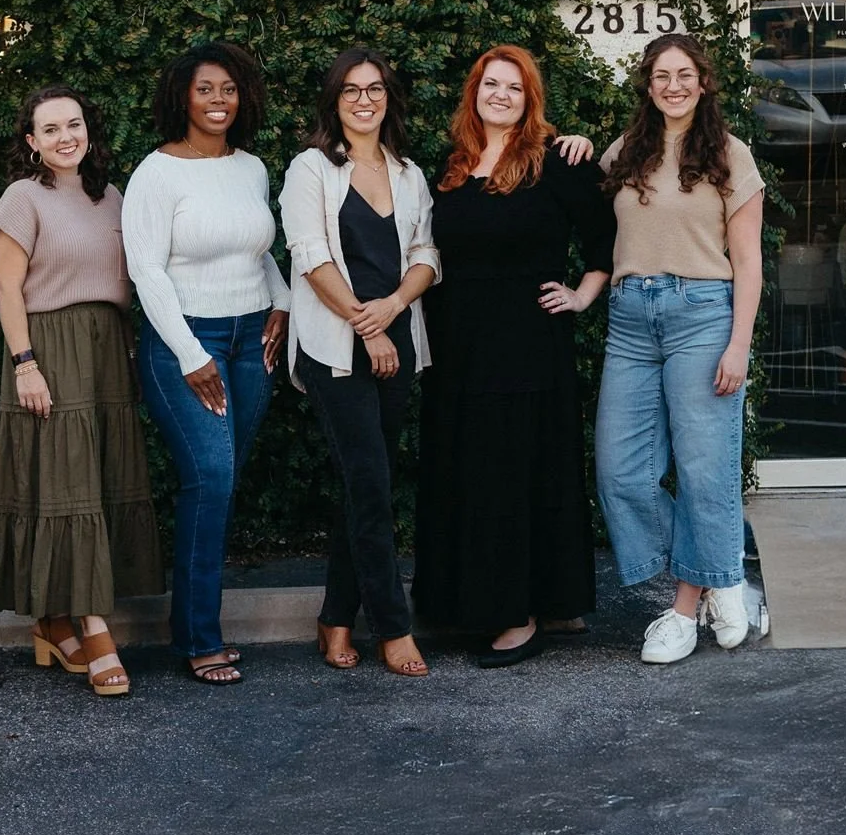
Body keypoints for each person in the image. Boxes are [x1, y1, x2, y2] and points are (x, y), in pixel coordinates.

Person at [413, 45, 614, 667]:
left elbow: (606, 237)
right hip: (458, 349)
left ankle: (521, 613)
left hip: (527, 346)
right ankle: (475, 604)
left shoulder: (557, 160)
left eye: (514, 87)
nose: (500, 94)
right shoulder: (450, 168)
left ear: (531, 100)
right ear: (474, 92)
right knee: (468, 473)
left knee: (517, 474)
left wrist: (582, 294)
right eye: (490, 84)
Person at [0, 86, 162, 698]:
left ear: (87, 129)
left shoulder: (111, 197)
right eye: (49, 129)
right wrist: (26, 363)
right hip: (50, 347)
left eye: (72, 125)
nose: (64, 137)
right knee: (67, 486)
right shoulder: (22, 198)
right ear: (31, 142)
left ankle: (53, 622)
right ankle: (95, 629)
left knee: (93, 485)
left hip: (107, 348)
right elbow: (6, 289)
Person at [595, 33, 767, 665]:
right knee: (622, 474)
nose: (672, 85)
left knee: (703, 471)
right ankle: (725, 573)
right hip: (631, 320)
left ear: (703, 83)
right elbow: (587, 220)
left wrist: (738, 344)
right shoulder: (623, 152)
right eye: (661, 75)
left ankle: (685, 607)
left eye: (684, 74)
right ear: (648, 84)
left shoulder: (729, 153)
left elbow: (748, 261)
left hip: (702, 316)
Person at [123, 41, 289, 685]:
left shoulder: (251, 168)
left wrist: (281, 304)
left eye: (228, 89)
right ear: (181, 98)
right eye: (204, 89)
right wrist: (192, 353)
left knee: (219, 482)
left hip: (255, 340)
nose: (218, 100)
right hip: (185, 342)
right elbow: (146, 270)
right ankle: (198, 638)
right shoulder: (157, 173)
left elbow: (261, 250)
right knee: (211, 479)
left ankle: (196, 624)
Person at [280, 47, 440, 678]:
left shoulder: (410, 173)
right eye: (351, 90)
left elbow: (428, 252)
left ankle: (336, 617)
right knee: (370, 482)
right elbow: (310, 255)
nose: (364, 100)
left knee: (364, 484)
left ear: (388, 98)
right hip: (336, 347)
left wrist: (395, 305)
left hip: (398, 340)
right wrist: (365, 324)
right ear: (334, 101)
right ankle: (392, 628)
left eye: (374, 89)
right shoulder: (311, 169)